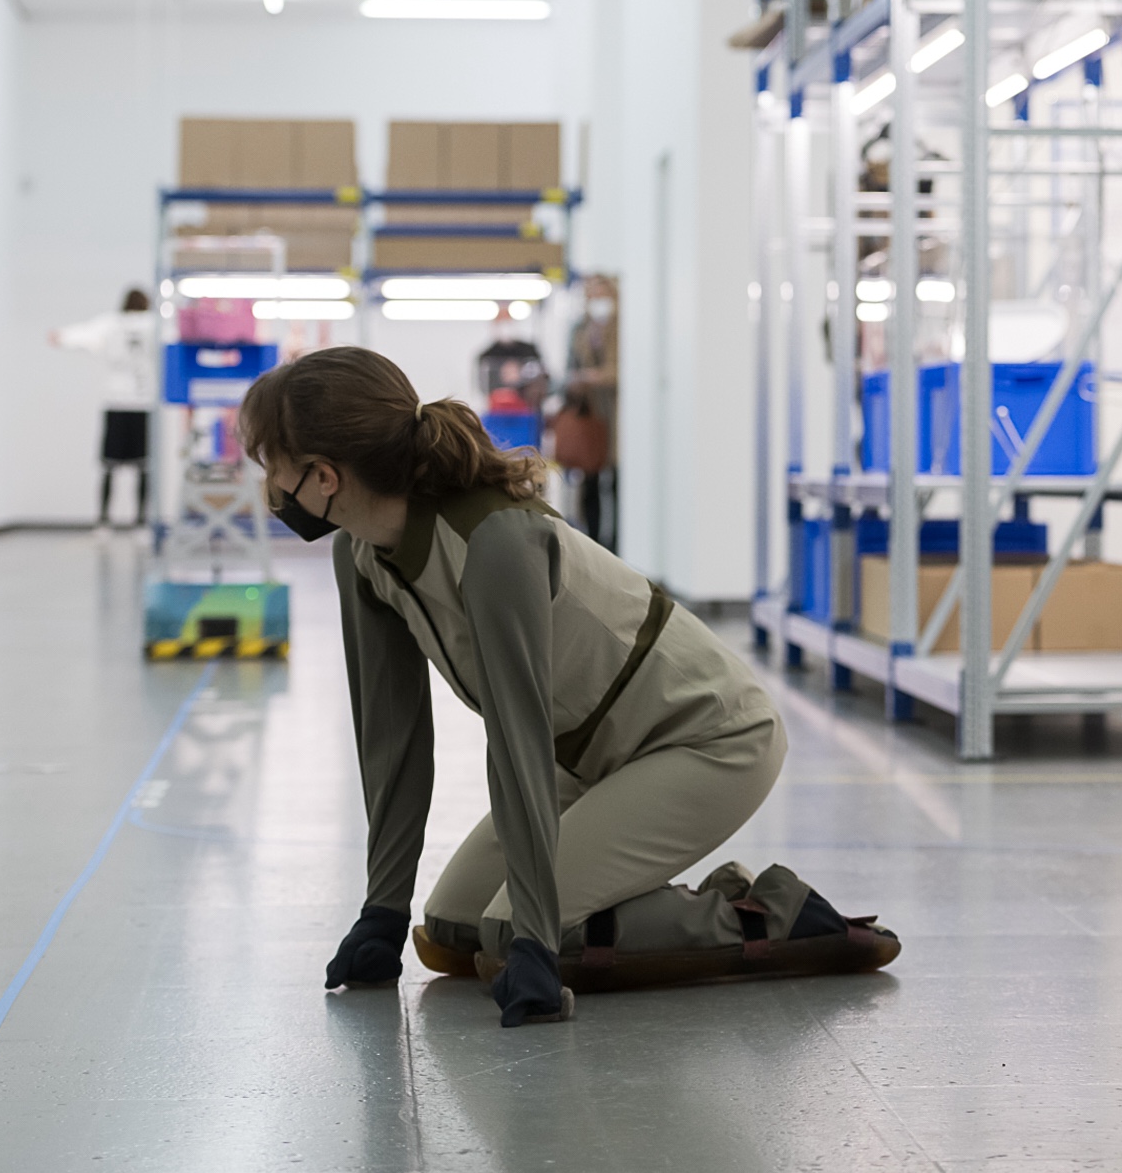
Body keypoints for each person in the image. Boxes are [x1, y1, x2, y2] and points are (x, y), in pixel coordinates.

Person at [236, 347, 895, 1028]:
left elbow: (516, 738)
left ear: (322, 476)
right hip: (587, 756)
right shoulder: (363, 553)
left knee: (515, 935)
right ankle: (602, 900)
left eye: (271, 467)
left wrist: (535, 943)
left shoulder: (493, 541)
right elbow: (392, 737)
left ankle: (765, 912)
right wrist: (382, 910)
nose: (268, 487)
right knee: (450, 929)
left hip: (707, 740)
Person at [50, 288, 157, 527]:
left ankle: (103, 521)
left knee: (109, 466)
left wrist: (60, 336)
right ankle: (141, 522)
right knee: (144, 467)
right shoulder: (153, 324)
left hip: (116, 402)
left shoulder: (111, 323)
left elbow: (83, 335)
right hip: (143, 403)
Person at [563, 277, 618, 548]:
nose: (599, 302)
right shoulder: (580, 330)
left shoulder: (621, 329)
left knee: (617, 482)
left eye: (603, 294)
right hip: (591, 414)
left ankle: (617, 543)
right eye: (593, 296)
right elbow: (570, 367)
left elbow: (620, 370)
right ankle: (593, 543)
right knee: (590, 481)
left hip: (615, 413)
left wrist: (595, 377)